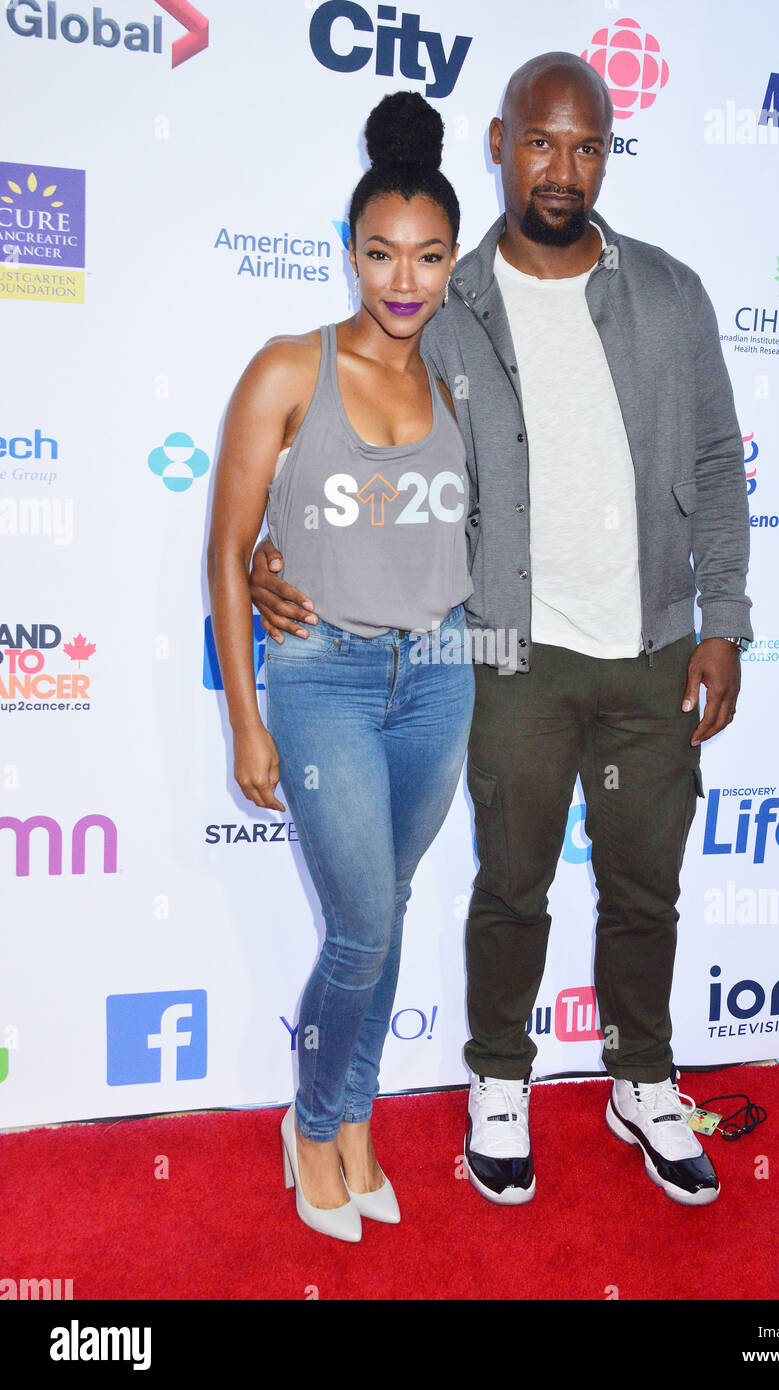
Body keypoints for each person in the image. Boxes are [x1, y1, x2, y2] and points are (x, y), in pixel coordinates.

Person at [250, 53, 753, 1210]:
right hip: (504, 651)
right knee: (510, 884)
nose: (562, 169)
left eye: (586, 146)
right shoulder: (447, 308)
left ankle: (643, 1076)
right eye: (540, 142)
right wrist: (278, 554)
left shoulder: (672, 294)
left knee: (645, 887)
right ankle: (498, 1081)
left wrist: (722, 621)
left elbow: (721, 464)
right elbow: (365, 438)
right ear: (497, 141)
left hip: (655, 648)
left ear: (609, 152)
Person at [207, 92, 474, 1242]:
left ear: (453, 259)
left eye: (425, 257)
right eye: (379, 254)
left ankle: (356, 1116)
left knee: (394, 905)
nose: (402, 281)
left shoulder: (463, 374)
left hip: (444, 677)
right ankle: (313, 1123)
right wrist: (247, 724)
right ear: (349, 252)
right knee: (362, 925)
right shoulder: (287, 369)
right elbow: (227, 553)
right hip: (322, 678)